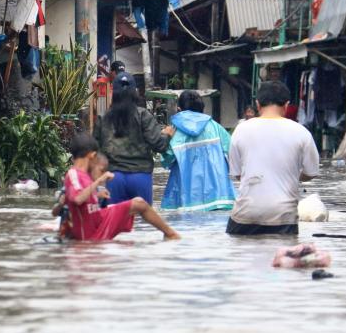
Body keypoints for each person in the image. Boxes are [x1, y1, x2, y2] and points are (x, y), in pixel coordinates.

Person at [227, 81, 319, 235]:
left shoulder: (241, 130)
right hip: (283, 216)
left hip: (245, 215)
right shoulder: (301, 132)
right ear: (287, 105)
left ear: (257, 104)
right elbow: (311, 172)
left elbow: (237, 174)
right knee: (284, 258)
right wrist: (294, 176)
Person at [64, 133, 180, 241]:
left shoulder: (85, 175)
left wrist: (97, 193)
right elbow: (77, 198)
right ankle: (171, 234)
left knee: (139, 203)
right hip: (90, 232)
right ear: (92, 155)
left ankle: (170, 234)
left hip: (99, 220)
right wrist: (99, 180)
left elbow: (81, 199)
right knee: (138, 203)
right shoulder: (73, 173)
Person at [93, 72, 174, 204]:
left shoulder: (103, 118)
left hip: (114, 177)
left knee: (114, 221)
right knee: (143, 221)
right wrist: (167, 134)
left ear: (113, 92)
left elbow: (94, 152)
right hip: (141, 177)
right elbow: (159, 145)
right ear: (135, 92)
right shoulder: (143, 115)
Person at [160, 90, 235, 211]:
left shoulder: (174, 132)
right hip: (219, 194)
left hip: (187, 196)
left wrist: (165, 137)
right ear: (202, 109)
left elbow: (166, 161)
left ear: (179, 109)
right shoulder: (215, 127)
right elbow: (233, 153)